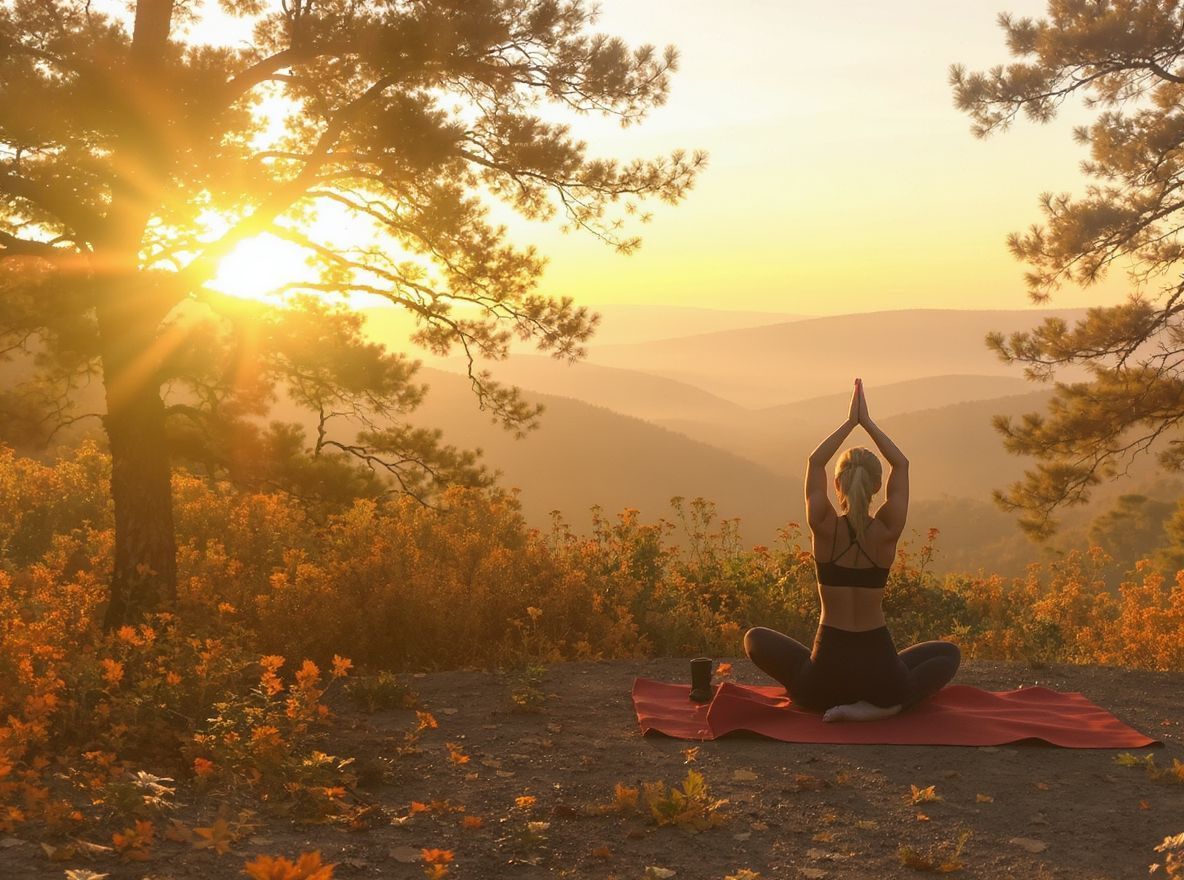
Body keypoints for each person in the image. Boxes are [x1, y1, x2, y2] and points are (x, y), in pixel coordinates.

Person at [743, 378, 960, 722]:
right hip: (881, 673)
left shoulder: (824, 526)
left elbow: (815, 462)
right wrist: (868, 424)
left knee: (755, 638)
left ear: (836, 484)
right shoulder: (887, 531)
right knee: (948, 653)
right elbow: (901, 465)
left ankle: (833, 698)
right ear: (876, 486)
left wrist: (849, 423)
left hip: (822, 682)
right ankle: (890, 706)